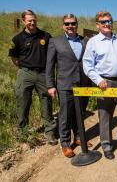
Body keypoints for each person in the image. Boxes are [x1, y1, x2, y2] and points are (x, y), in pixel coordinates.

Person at [83, 11, 117, 160]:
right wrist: (98, 80)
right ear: (98, 25)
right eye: (103, 22)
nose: (107, 24)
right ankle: (106, 145)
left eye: (109, 21)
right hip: (104, 82)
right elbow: (87, 65)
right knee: (105, 114)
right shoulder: (93, 42)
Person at [46, 14, 93, 158]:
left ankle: (79, 137)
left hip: (83, 83)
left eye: (73, 23)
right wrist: (50, 85)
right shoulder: (55, 41)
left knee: (80, 112)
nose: (70, 26)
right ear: (63, 26)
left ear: (77, 24)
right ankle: (65, 143)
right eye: (67, 24)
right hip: (65, 84)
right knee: (65, 114)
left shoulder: (85, 40)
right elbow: (49, 65)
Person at [9, 10, 57, 145]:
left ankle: (50, 132)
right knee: (23, 102)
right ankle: (22, 132)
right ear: (24, 21)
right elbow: (14, 58)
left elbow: (52, 56)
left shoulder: (46, 36)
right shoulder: (17, 39)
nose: (32, 22)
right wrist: (23, 69)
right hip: (25, 73)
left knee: (46, 102)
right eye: (29, 20)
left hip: (42, 73)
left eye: (34, 20)